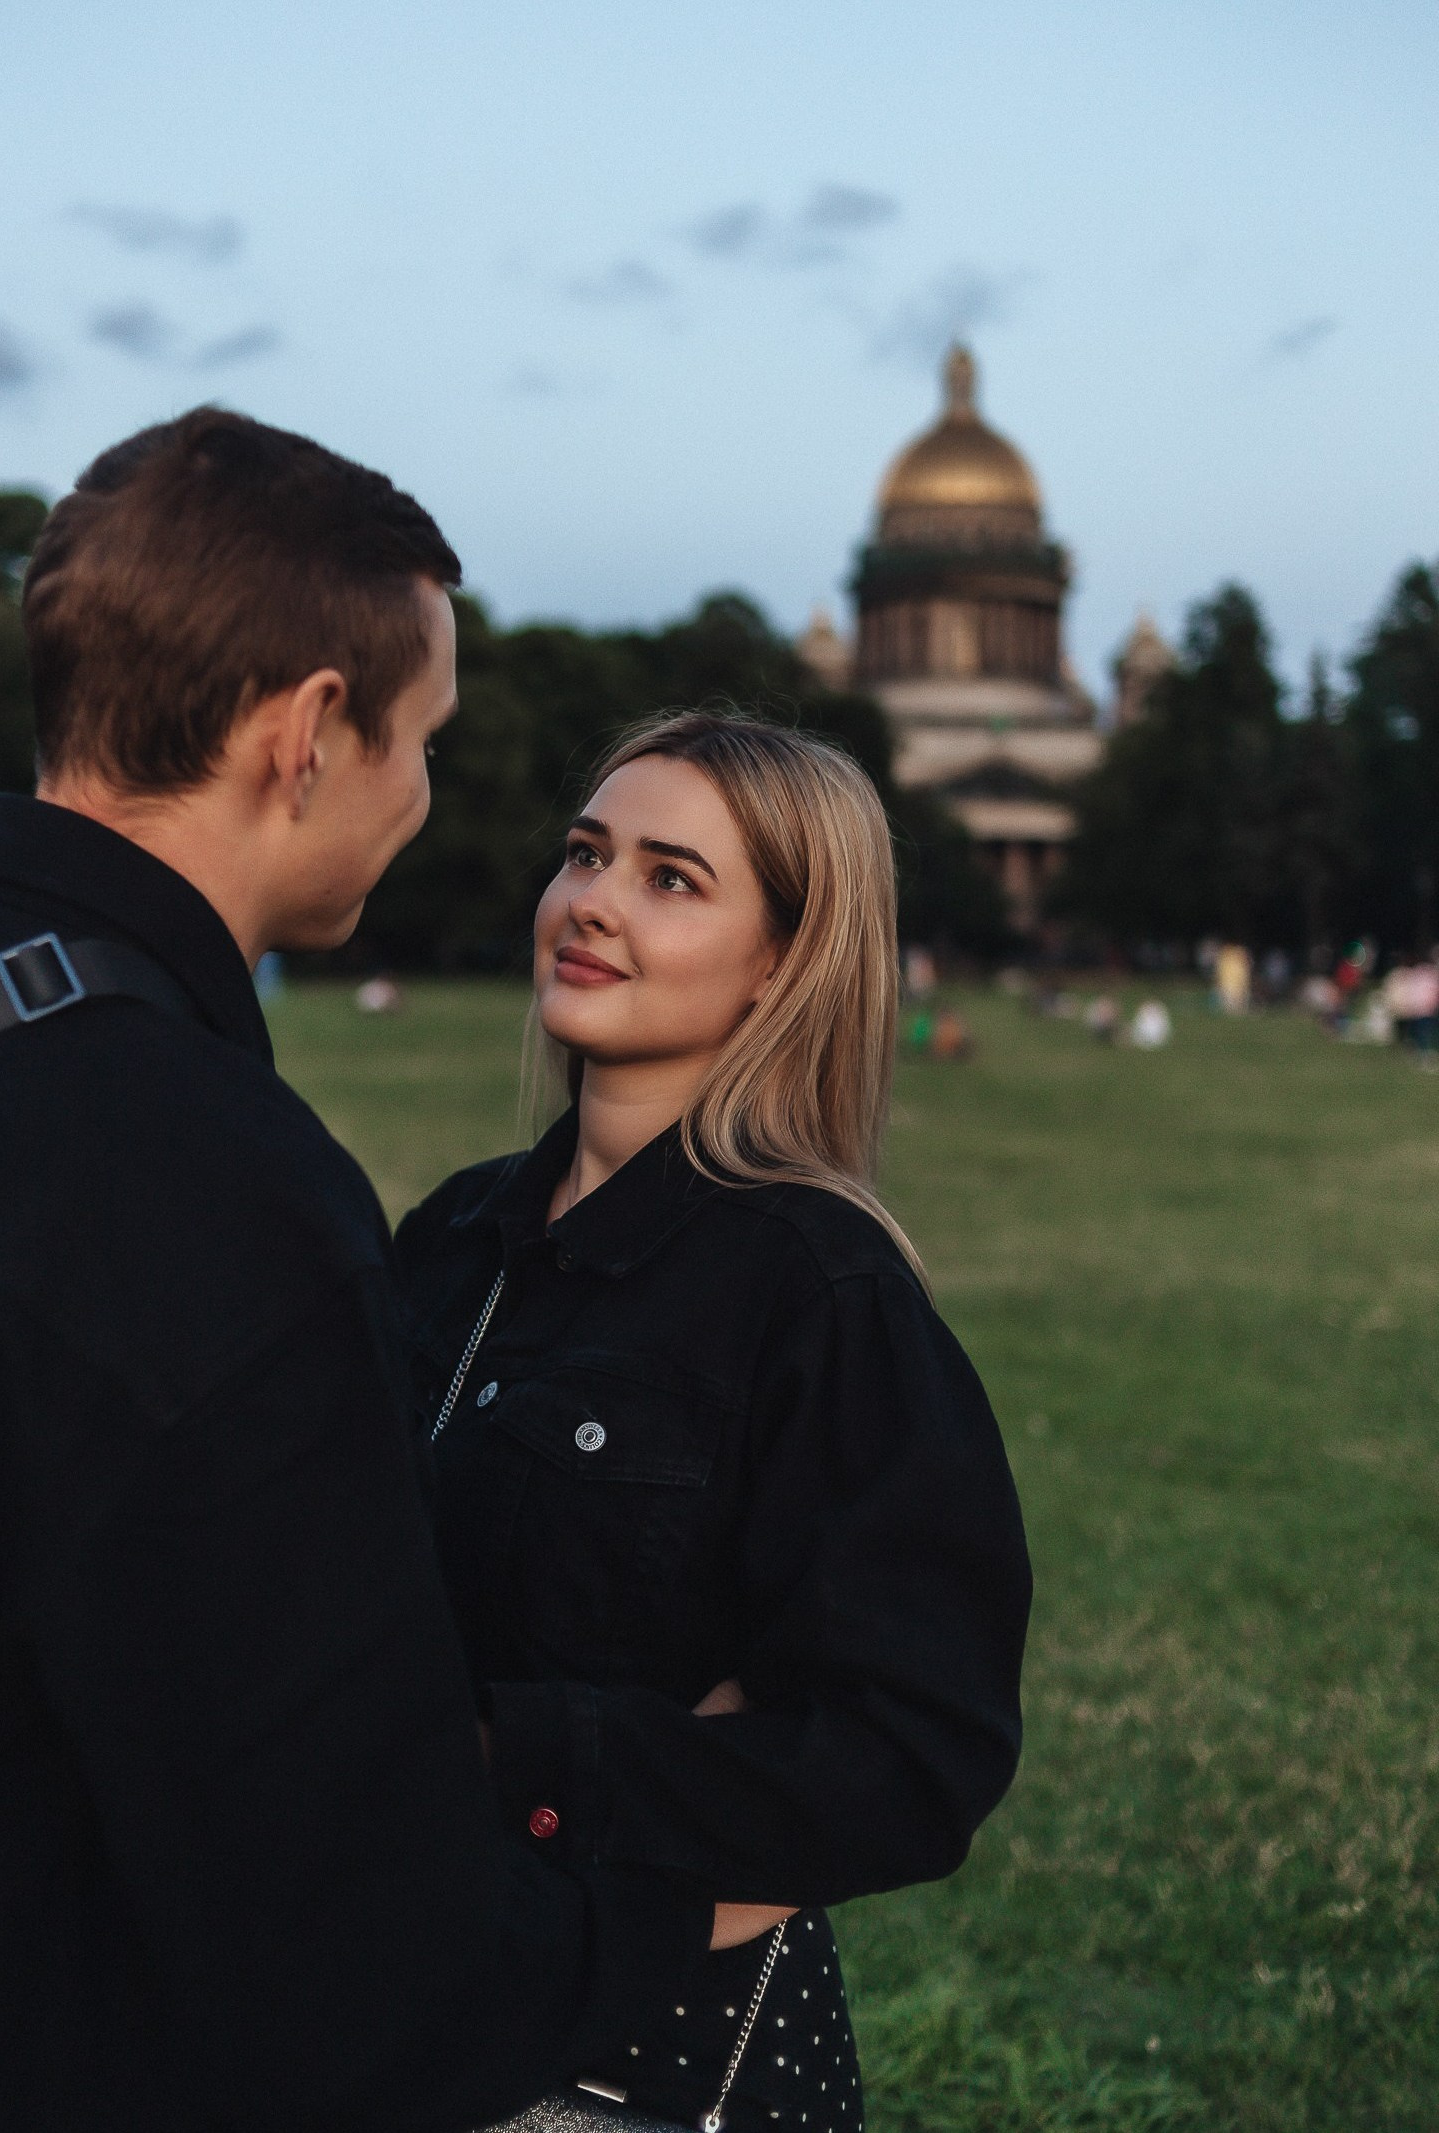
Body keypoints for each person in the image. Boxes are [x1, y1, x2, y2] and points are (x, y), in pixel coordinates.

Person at [0, 410, 775, 2131]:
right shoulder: (223, 1199)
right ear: (310, 734)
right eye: (423, 741)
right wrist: (686, 1898)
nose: (423, 797)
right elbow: (356, 1960)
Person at [395, 714, 1032, 2132]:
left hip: (641, 2072)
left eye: (671, 878)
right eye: (586, 854)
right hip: (398, 2006)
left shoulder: (821, 1293)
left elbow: (910, 1750)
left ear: (782, 966)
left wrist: (520, 1766)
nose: (594, 902)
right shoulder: (453, 1236)